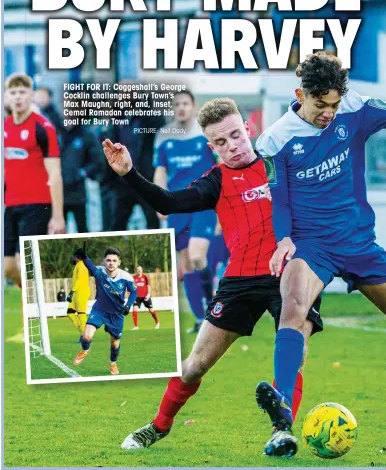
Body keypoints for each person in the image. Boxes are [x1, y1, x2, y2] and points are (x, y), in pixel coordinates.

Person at [102, 97, 323, 451]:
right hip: (239, 279)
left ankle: (282, 429)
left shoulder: (279, 165)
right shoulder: (215, 181)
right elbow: (168, 203)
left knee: (292, 351)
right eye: (221, 142)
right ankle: (158, 426)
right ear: (211, 146)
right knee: (194, 366)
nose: (232, 146)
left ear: (248, 129)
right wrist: (129, 173)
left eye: (235, 135)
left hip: (291, 272)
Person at [255, 52, 386, 456]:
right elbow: (279, 201)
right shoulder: (275, 139)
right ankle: (281, 426)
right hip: (311, 244)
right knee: (292, 307)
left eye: (333, 104)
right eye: (319, 105)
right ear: (300, 94)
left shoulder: (355, 108)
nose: (328, 113)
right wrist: (283, 239)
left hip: (359, 241)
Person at [153, 90, 217, 333]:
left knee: (198, 255)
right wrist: (159, 198)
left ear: (193, 106)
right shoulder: (163, 137)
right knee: (187, 263)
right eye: (177, 104)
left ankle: (213, 305)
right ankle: (201, 319)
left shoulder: (206, 134)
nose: (181, 108)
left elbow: (220, 166)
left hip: (203, 203)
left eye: (185, 104)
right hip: (176, 206)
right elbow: (160, 171)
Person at [4, 73, 66, 287]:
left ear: (31, 95)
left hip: (37, 205)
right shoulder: (5, 127)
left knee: (25, 263)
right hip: (11, 204)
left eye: (22, 92)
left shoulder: (43, 127)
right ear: (7, 96)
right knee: (8, 267)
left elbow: (55, 173)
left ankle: (33, 313)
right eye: (13, 93)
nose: (18, 97)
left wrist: (58, 216)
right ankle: (36, 300)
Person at [73, 247, 137, 375]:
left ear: (119, 262)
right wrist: (84, 257)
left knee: (114, 344)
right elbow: (91, 267)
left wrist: (128, 305)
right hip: (99, 310)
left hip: (116, 314)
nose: (111, 263)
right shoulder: (100, 272)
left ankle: (113, 363)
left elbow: (134, 291)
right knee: (86, 336)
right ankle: (85, 350)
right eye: (108, 260)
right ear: (104, 261)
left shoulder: (126, 277)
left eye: (114, 260)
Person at [66, 249, 92, 342]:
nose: (72, 258)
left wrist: (72, 291)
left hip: (82, 292)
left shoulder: (81, 265)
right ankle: (83, 333)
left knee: (81, 314)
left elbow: (80, 280)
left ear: (76, 256)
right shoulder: (78, 265)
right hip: (77, 293)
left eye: (73, 256)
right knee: (70, 312)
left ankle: (86, 336)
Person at [132, 266, 160, 330]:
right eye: (137, 269)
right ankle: (136, 326)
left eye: (140, 269)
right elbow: (132, 288)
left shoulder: (145, 277)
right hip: (137, 297)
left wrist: (148, 294)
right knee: (134, 309)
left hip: (145, 296)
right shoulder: (133, 278)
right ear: (136, 270)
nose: (139, 270)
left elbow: (148, 286)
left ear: (142, 270)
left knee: (151, 310)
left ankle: (157, 323)